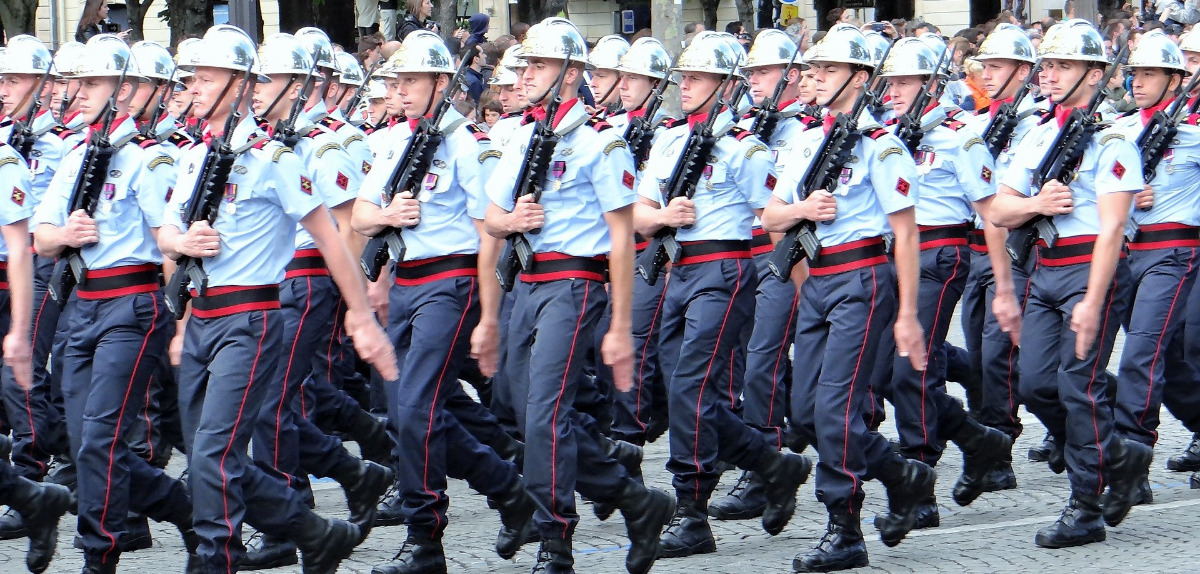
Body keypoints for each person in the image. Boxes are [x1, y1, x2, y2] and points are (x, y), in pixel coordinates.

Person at [159, 24, 397, 573]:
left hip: (252, 317)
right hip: (202, 316)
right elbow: (167, 233)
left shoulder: (273, 158)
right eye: (193, 76)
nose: (195, 84)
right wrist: (181, 244)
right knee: (204, 461)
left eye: (209, 76)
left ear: (240, 85)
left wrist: (361, 315)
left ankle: (213, 558)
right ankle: (314, 532)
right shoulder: (195, 155)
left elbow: (331, 237)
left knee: (216, 454)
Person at [483, 17, 674, 574]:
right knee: (518, 409)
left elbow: (622, 236)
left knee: (545, 412)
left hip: (575, 283)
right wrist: (511, 219)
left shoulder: (601, 140)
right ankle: (638, 502)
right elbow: (493, 217)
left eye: (537, 66)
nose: (526, 75)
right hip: (528, 279)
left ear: (569, 75)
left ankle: (555, 538)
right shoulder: (522, 134)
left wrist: (618, 325)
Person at [351, 30, 542, 573]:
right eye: (397, 80)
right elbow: (362, 216)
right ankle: (508, 490)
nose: (401, 90)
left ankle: (425, 537)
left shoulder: (466, 145)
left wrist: (487, 315)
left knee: (414, 410)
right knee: (405, 410)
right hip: (408, 281)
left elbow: (490, 234)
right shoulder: (392, 141)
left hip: (450, 282)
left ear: (442, 83)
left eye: (412, 80)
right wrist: (390, 217)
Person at [761, 23, 935, 572]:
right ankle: (903, 475)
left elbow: (906, 233)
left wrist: (907, 313)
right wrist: (803, 212)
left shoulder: (882, 145)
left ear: (860, 78)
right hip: (816, 280)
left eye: (829, 70)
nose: (816, 78)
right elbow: (770, 217)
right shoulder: (807, 139)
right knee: (806, 411)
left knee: (835, 408)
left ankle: (845, 528)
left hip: (862, 278)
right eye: (814, 69)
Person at [634, 29, 812, 560]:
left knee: (691, 385)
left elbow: (776, 220)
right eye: (684, 77)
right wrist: (665, 217)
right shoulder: (668, 137)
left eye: (697, 78)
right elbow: (641, 213)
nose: (685, 86)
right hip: (679, 269)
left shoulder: (746, 149)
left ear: (725, 85)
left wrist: (801, 288)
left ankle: (691, 510)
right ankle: (775, 465)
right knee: (683, 391)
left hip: (726, 270)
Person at [32, 34, 199, 573]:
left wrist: (180, 326)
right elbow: (42, 237)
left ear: (125, 91)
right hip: (82, 305)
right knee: (89, 446)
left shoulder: (149, 161)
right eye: (77, 83)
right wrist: (67, 232)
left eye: (94, 83)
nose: (78, 93)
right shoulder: (79, 152)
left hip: (132, 306)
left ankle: (98, 557)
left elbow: (169, 243)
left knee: (100, 439)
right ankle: (189, 511)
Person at [237, 32, 395, 571]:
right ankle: (354, 475)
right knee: (275, 404)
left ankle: (290, 520)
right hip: (271, 278)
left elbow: (346, 229)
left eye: (269, 80)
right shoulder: (264, 137)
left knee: (274, 404)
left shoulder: (326, 140)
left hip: (308, 279)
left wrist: (359, 300)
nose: (258, 90)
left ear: (300, 85)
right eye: (256, 79)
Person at [989, 19, 1144, 549]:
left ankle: (1086, 504)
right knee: (1035, 385)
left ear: (1095, 74)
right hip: (1046, 268)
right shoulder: (1038, 131)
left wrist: (1094, 300)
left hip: (1090, 269)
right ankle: (1118, 456)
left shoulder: (1114, 140)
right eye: (1047, 65)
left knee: (1078, 387)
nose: (1050, 75)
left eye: (1065, 66)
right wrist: (1036, 204)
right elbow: (1000, 208)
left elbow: (1114, 229)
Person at [876, 36, 1013, 527]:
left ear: (931, 84)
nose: (893, 90)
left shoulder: (961, 135)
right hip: (894, 255)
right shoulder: (885, 132)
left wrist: (1002, 287)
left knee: (914, 368)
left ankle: (920, 481)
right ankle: (977, 439)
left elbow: (991, 213)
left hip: (941, 251)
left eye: (905, 81)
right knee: (880, 373)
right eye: (889, 81)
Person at [711, 28, 820, 523]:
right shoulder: (745, 124)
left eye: (764, 71)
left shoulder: (809, 129)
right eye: (750, 72)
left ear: (792, 76)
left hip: (787, 255)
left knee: (763, 360)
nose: (754, 80)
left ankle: (767, 468)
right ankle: (774, 453)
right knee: (745, 361)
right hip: (743, 255)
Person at [1107, 28, 1199, 520]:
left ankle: (1131, 459)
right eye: (1135, 73)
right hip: (1126, 251)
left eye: (1149, 74)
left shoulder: (1195, 134)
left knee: (1141, 353)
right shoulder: (1119, 130)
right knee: (1172, 364)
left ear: (1174, 79)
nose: (1138, 83)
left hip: (1174, 250)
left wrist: (1158, 198)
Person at [0, 95, 72, 574]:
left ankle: (32, 468)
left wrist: (20, 334)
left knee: (16, 385)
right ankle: (33, 496)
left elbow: (22, 247)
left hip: (30, 272)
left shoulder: (10, 155)